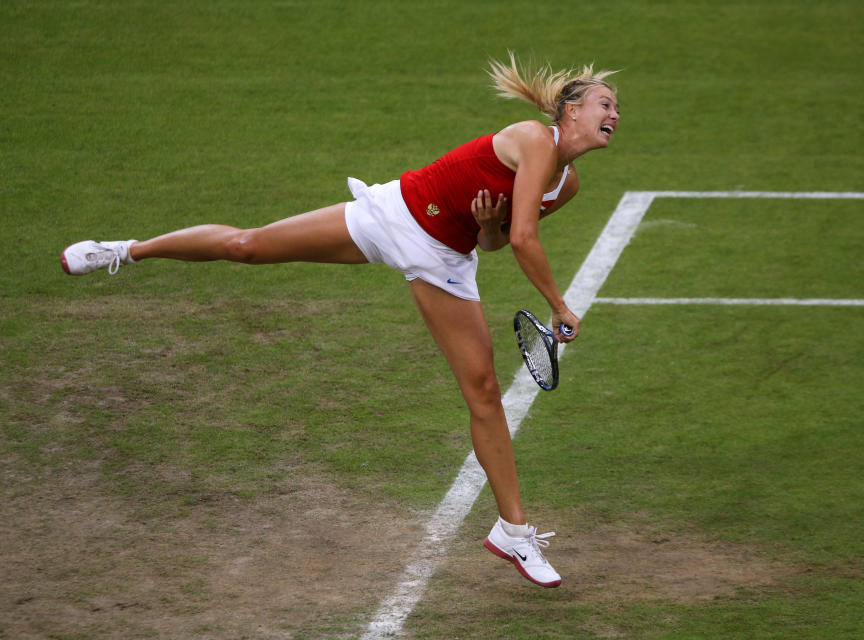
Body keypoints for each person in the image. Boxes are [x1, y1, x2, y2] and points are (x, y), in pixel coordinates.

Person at [60, 53, 620, 588]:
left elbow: (499, 240)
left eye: (616, 109)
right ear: (571, 111)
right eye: (604, 104)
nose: (613, 115)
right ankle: (127, 250)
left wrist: (486, 223)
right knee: (248, 245)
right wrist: (560, 306)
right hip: (396, 213)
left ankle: (513, 532)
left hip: (443, 258)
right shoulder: (529, 138)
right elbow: (525, 240)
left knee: (484, 392)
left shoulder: (566, 185)